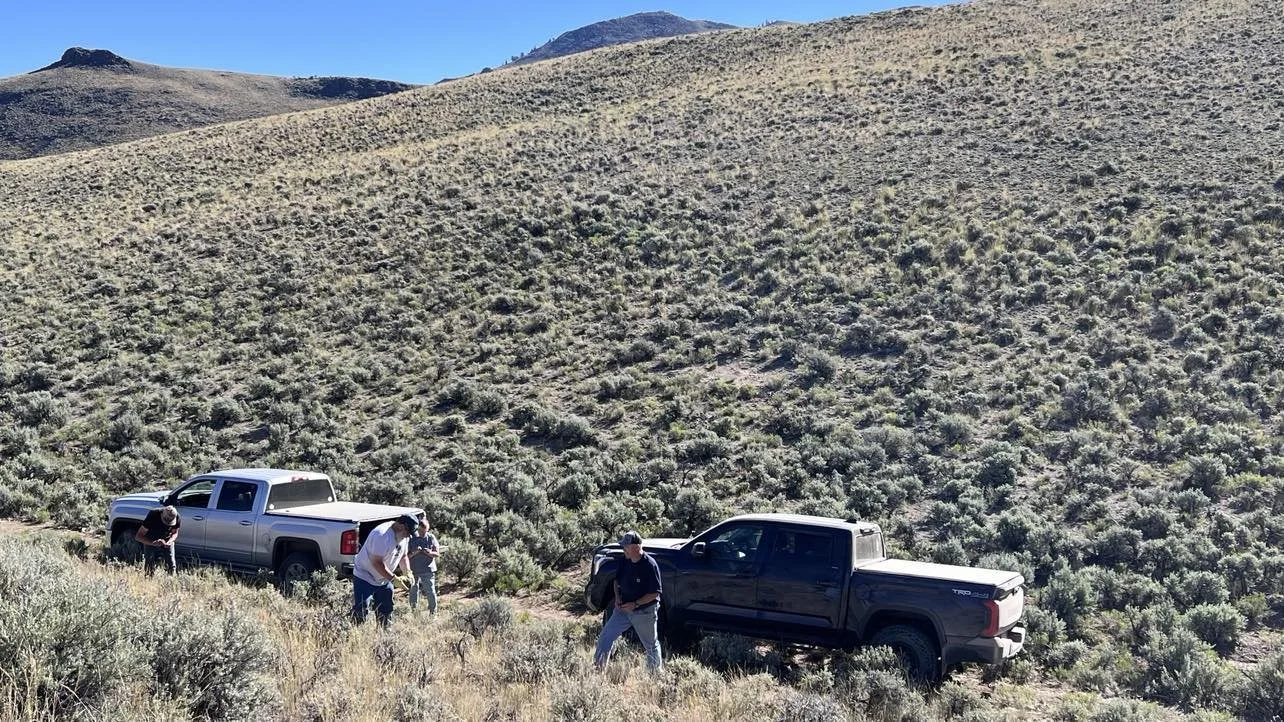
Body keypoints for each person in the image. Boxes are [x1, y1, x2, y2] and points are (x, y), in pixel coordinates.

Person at [593, 530, 663, 672]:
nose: (623, 548)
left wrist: (635, 604)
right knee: (606, 636)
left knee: (651, 645)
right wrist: (618, 599)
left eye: (626, 546)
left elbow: (655, 593)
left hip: (644, 612)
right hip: (622, 610)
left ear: (636, 547)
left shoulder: (650, 565)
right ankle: (598, 670)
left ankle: (655, 678)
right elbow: (616, 581)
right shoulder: (625, 561)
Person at [352, 513, 418, 626]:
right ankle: (356, 633)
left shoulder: (403, 536)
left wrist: (408, 572)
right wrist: (393, 579)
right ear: (402, 526)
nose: (409, 536)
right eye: (409, 533)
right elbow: (377, 563)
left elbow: (403, 556)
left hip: (384, 579)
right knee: (362, 608)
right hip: (365, 576)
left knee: (386, 609)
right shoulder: (382, 535)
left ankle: (385, 633)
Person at [407, 516, 441, 615]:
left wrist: (429, 552)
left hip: (428, 569)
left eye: (424, 531)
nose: (422, 533)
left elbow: (437, 553)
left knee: (430, 591)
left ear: (427, 529)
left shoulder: (431, 537)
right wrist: (415, 552)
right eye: (421, 531)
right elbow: (406, 556)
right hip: (413, 569)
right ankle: (414, 612)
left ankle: (433, 613)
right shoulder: (411, 538)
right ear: (418, 528)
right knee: (413, 591)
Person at [135, 505, 180, 575]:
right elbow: (139, 536)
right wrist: (153, 543)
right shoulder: (153, 515)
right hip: (151, 540)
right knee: (149, 565)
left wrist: (169, 541)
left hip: (167, 540)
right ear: (162, 514)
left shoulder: (176, 516)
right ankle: (149, 581)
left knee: (172, 565)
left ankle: (171, 581)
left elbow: (175, 533)